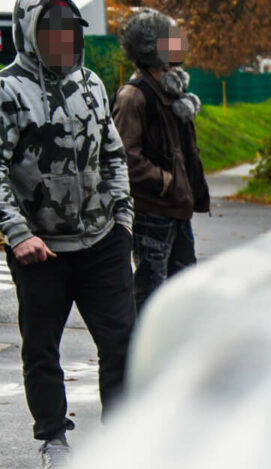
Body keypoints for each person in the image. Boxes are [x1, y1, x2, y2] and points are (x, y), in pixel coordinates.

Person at [0, 0, 134, 469]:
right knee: (42, 347)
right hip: (40, 248)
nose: (63, 40)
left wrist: (123, 218)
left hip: (102, 239)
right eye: (52, 31)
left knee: (123, 343)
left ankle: (123, 442)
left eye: (70, 31)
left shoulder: (92, 85)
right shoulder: (3, 91)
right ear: (30, 33)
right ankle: (54, 441)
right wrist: (17, 232)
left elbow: (113, 154)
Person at [112, 8, 209, 314]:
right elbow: (124, 157)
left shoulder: (173, 94)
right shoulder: (134, 97)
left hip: (177, 211)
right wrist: (168, 183)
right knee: (151, 295)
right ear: (151, 48)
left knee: (184, 295)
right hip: (152, 212)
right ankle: (145, 358)